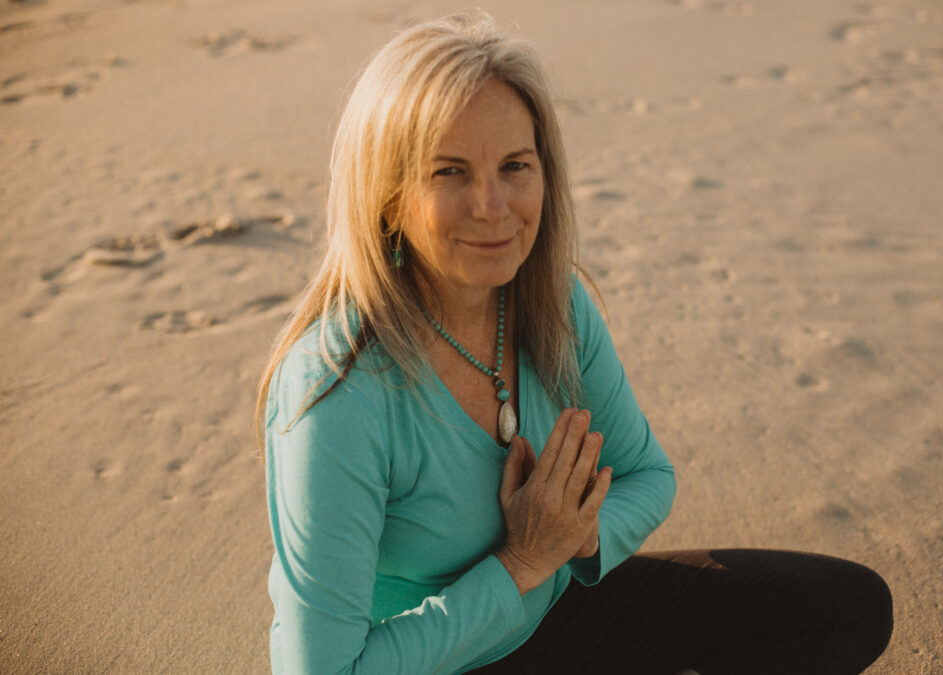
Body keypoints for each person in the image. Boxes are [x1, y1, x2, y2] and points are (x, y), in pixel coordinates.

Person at [256, 14, 893, 675]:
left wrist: (577, 534)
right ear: (386, 197)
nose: (493, 203)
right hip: (435, 662)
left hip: (559, 617)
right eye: (450, 172)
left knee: (844, 606)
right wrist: (522, 562)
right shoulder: (335, 390)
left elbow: (649, 477)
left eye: (515, 166)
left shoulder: (551, 302)